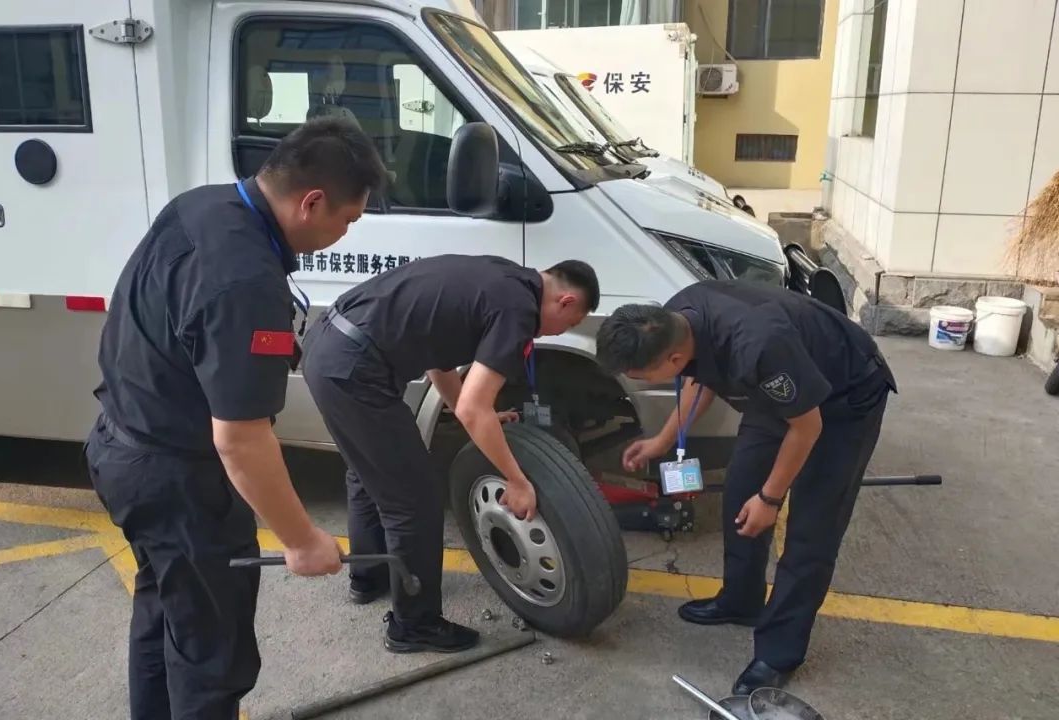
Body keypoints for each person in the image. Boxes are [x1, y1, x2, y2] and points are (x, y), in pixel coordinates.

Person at [82, 117, 388, 719]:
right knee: (211, 655)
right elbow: (241, 440)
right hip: (178, 482)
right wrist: (302, 540)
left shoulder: (203, 205)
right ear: (311, 202)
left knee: (167, 612)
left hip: (121, 446)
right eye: (348, 221)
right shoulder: (247, 281)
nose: (344, 235)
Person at [595, 280, 897, 695]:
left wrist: (770, 498)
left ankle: (778, 653)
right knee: (740, 492)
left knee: (812, 531)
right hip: (782, 390)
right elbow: (700, 378)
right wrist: (663, 440)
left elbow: (807, 427)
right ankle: (741, 600)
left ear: (672, 357)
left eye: (641, 377)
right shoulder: (676, 317)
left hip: (846, 395)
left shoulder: (757, 344)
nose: (640, 382)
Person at [301, 255, 600, 653]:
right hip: (355, 367)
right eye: (570, 323)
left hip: (330, 346)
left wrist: (470, 409)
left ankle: (369, 576)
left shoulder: (500, 278)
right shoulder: (519, 310)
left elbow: (439, 364)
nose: (559, 332)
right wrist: (516, 479)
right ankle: (414, 625)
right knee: (415, 500)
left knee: (370, 472)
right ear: (565, 301)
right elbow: (474, 408)